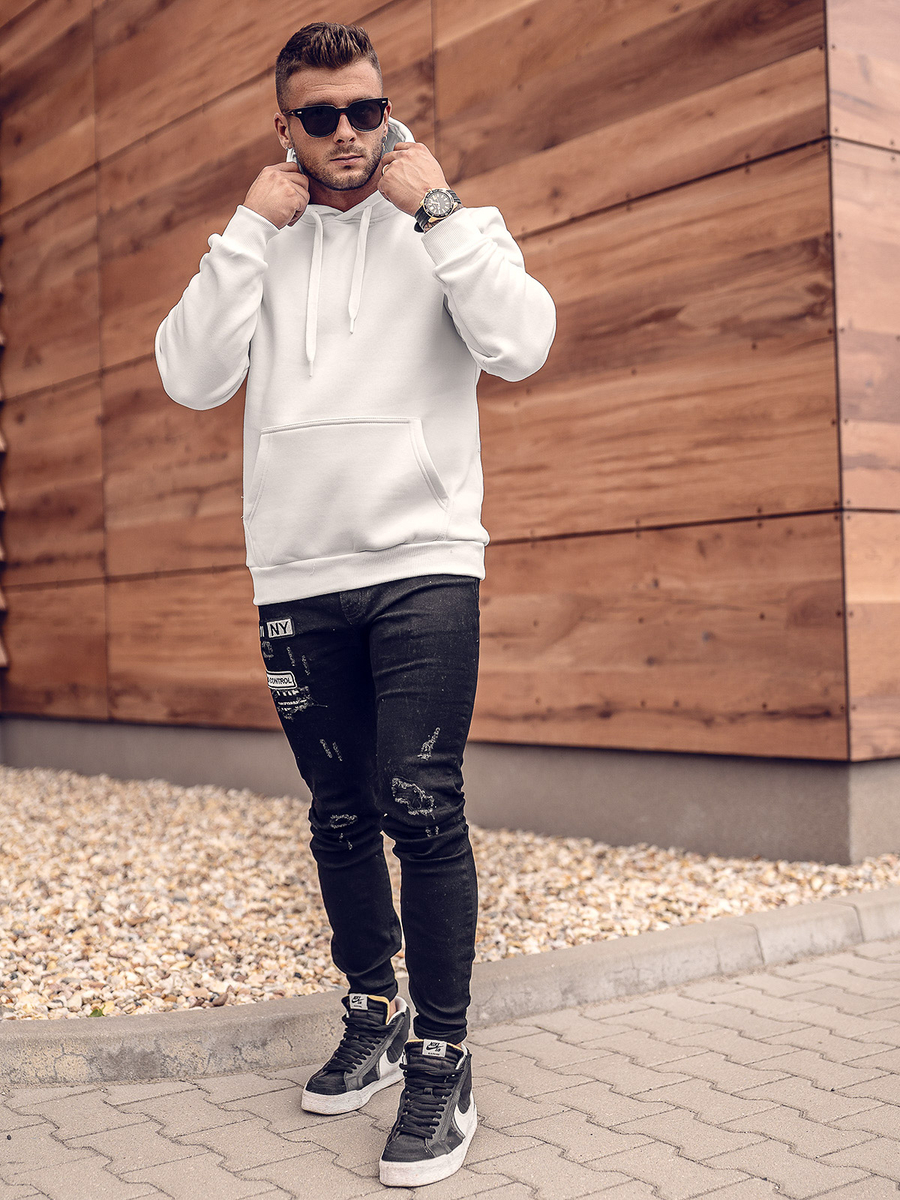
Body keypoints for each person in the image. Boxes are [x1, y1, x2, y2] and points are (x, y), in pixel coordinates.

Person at [155, 21, 556, 1188]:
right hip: (296, 575)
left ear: (388, 110)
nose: (347, 134)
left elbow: (523, 344)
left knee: (420, 805)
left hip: (424, 562)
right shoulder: (262, 242)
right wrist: (245, 230)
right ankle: (374, 1012)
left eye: (365, 111)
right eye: (321, 116)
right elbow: (189, 376)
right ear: (284, 124)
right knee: (338, 814)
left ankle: (444, 1057)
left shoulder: (446, 223)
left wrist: (441, 211)